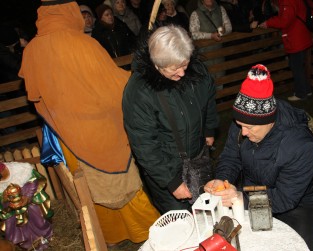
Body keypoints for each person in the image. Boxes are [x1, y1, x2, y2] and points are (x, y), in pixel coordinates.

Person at [18, 0, 160, 246]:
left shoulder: (32, 49)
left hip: (67, 136)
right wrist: (137, 76)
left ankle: (110, 237)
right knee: (123, 187)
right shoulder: (84, 44)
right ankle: (149, 232)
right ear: (67, 11)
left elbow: (35, 96)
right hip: (101, 132)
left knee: (90, 192)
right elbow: (115, 87)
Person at [204, 64, 313, 251]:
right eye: (239, 125)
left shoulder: (301, 146)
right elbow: (230, 156)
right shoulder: (244, 121)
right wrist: (222, 180)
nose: (243, 132)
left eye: (249, 128)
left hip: (298, 203)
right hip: (252, 188)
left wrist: (239, 198)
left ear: (269, 120)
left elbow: (285, 198)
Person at [122, 25, 219, 214]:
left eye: (185, 64)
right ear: (157, 64)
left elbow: (208, 99)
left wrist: (209, 129)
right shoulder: (139, 92)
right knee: (181, 221)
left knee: (209, 213)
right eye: (174, 68)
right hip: (167, 168)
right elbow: (144, 145)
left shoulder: (195, 70)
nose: (182, 73)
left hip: (198, 157)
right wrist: (172, 182)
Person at [259, 0, 313, 101]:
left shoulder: (288, 1)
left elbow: (285, 21)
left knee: (296, 66)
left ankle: (300, 93)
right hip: (301, 35)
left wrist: (268, 22)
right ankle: (306, 90)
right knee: (299, 66)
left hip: (296, 38)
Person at [0, 162, 53, 251]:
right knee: (11, 223)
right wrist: (5, 199)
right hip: (11, 208)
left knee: (37, 217)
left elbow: (35, 181)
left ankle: (44, 238)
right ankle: (24, 243)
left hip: (30, 201)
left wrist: (27, 196)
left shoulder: (20, 170)